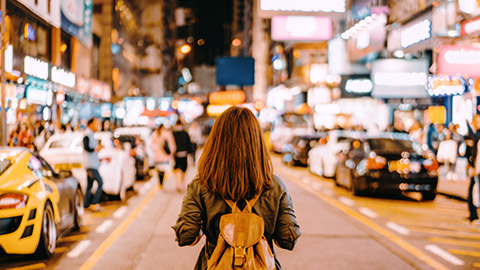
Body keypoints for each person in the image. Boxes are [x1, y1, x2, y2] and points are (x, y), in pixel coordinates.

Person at [172, 106, 301, 269]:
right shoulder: (274, 186)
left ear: (216, 142)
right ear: (257, 142)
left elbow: (186, 236)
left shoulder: (201, 185)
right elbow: (288, 239)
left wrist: (204, 228)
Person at [82, 118, 104, 212]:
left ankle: (86, 204)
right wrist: (96, 148)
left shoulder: (91, 134)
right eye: (96, 123)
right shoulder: (87, 134)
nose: (98, 126)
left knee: (89, 185)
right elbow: (87, 147)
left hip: (92, 163)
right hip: (90, 164)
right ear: (90, 124)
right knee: (100, 182)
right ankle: (94, 203)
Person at [150, 124, 176, 188]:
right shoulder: (166, 134)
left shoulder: (155, 134)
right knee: (164, 170)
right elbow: (172, 146)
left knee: (159, 170)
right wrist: (172, 153)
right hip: (165, 156)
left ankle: (160, 182)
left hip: (157, 156)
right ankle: (162, 182)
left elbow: (151, 145)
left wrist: (155, 150)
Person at [465, 115, 480, 223]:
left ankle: (474, 215)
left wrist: (476, 169)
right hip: (475, 168)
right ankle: (473, 215)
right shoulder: (475, 136)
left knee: (473, 193)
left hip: (477, 171)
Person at [172, 119, 193, 191]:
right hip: (183, 154)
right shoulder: (185, 133)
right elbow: (189, 144)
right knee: (183, 170)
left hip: (176, 154)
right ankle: (181, 183)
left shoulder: (173, 134)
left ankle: (179, 183)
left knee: (178, 169)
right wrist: (190, 153)